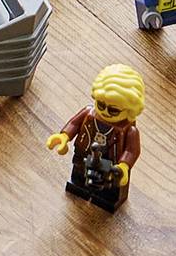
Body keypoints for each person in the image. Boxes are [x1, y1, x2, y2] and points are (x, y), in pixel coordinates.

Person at [49, 65, 146, 215]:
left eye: (113, 110)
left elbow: (131, 150)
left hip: (111, 162)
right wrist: (64, 136)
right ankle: (80, 185)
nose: (105, 112)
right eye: (101, 105)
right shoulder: (89, 112)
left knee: (109, 184)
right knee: (80, 170)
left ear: (130, 110)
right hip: (85, 152)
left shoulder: (129, 130)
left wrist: (124, 166)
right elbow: (74, 123)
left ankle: (107, 196)